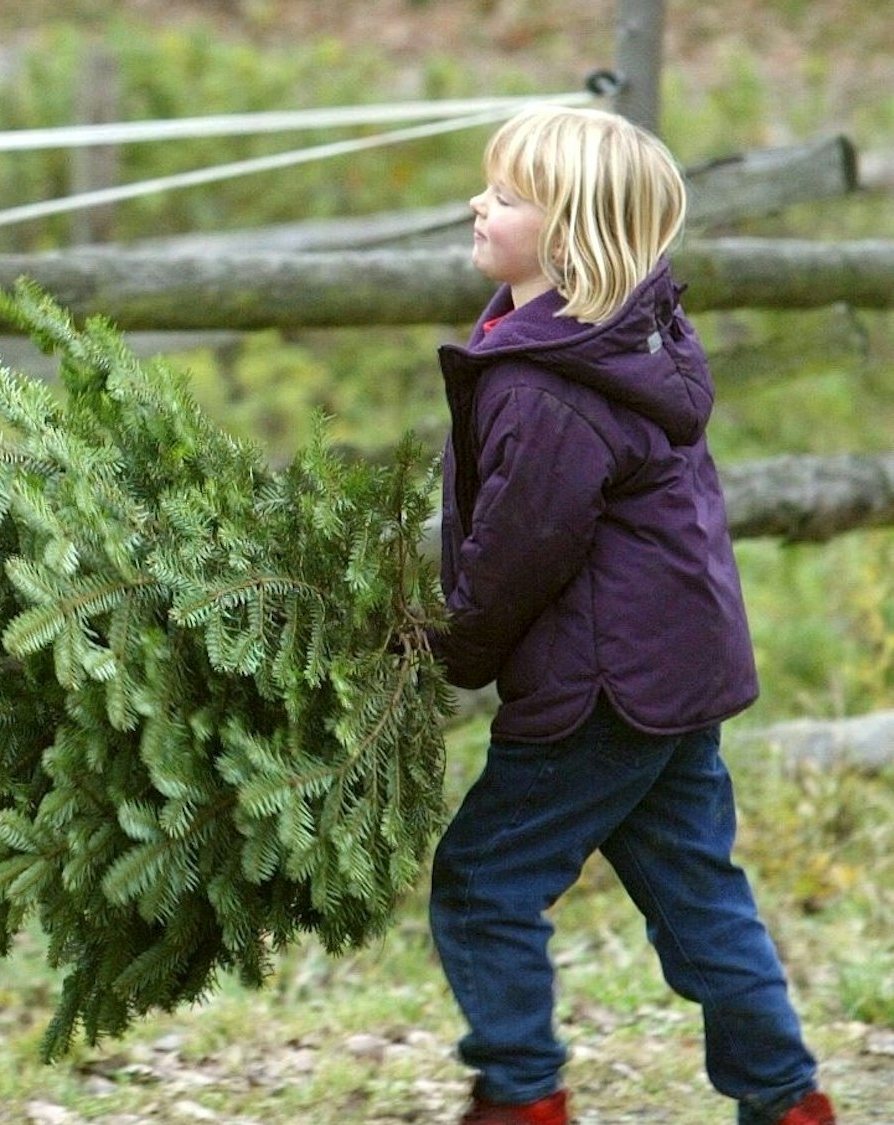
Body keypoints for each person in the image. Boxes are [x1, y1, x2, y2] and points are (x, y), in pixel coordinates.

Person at [424, 104, 836, 1125]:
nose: (479, 202)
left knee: (482, 883)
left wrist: (453, 647)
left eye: (507, 195)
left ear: (565, 237)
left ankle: (519, 1093)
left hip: (596, 686)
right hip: (672, 676)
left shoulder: (545, 386)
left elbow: (520, 549)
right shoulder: (628, 340)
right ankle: (785, 1103)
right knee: (696, 895)